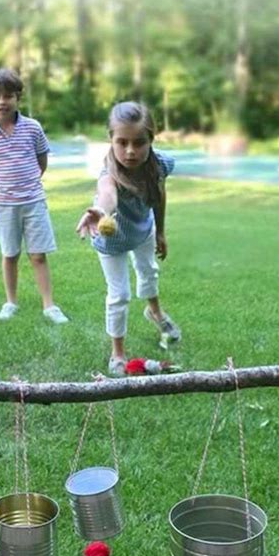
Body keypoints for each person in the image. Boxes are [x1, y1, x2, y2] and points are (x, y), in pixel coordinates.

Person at [76, 101, 181, 376]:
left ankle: (155, 313)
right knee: (119, 295)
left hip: (143, 231)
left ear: (151, 140)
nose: (130, 151)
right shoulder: (109, 172)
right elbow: (107, 194)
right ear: (110, 140)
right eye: (122, 142)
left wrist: (160, 231)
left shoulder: (159, 166)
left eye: (139, 142)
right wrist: (100, 211)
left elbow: (159, 196)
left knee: (149, 271)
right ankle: (118, 352)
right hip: (111, 241)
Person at [0, 68, 68, 323]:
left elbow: (41, 161)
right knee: (10, 254)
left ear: (18, 98)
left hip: (33, 202)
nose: (2, 101)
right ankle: (11, 302)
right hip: (4, 205)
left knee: (38, 255)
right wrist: (4, 186)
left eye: (8, 96)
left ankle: (49, 305)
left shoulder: (33, 128)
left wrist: (27, 184)